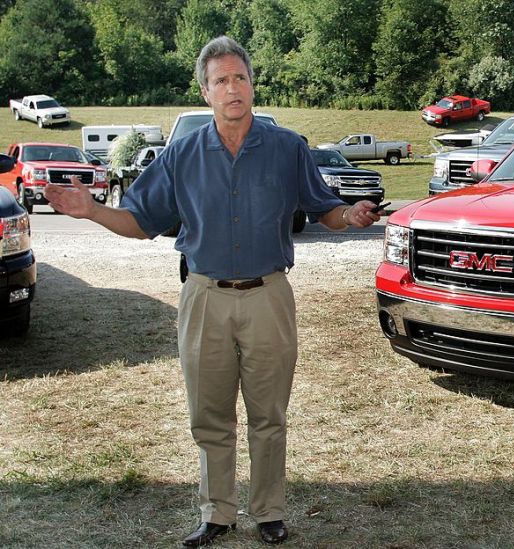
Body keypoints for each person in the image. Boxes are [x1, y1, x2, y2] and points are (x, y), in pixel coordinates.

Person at [44, 36, 385, 547]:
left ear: (252, 85)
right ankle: (217, 513)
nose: (233, 88)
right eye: (221, 80)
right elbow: (140, 221)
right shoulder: (181, 154)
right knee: (210, 415)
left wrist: (350, 216)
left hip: (269, 295)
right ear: (205, 92)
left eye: (240, 77)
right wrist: (92, 210)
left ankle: (268, 510)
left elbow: (325, 210)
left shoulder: (288, 148)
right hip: (204, 297)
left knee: (269, 414)